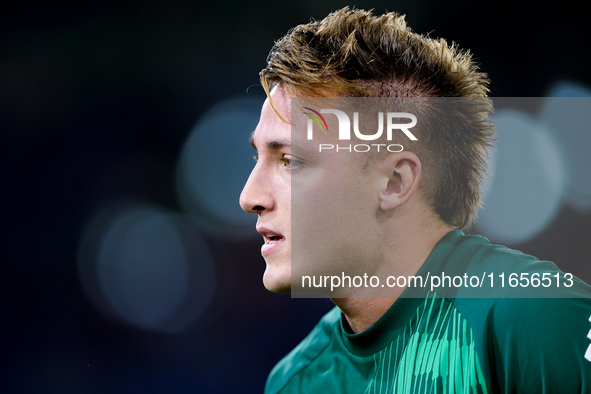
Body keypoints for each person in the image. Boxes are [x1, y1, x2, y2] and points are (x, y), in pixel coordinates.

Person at [239, 7, 591, 393]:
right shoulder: (294, 381)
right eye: (259, 158)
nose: (249, 197)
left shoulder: (540, 316)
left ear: (394, 182)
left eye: (290, 161)